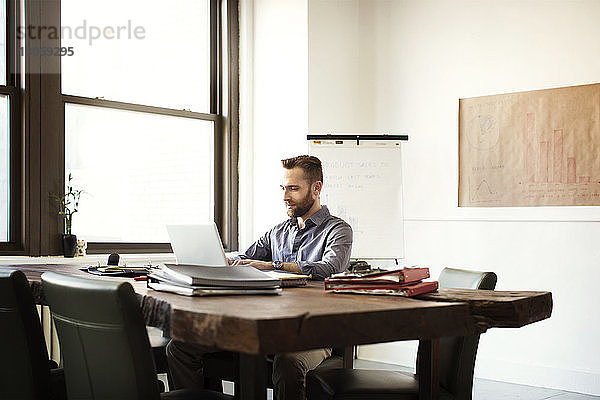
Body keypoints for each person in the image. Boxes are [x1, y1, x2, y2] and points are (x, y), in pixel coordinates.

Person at [166, 155, 353, 400]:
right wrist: (222, 260)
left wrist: (271, 265)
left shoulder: (338, 230)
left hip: (312, 333)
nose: (285, 196)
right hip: (264, 328)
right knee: (180, 348)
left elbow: (328, 267)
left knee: (288, 362)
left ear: (316, 188)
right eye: (283, 188)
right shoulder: (278, 231)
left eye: (293, 189)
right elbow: (246, 257)